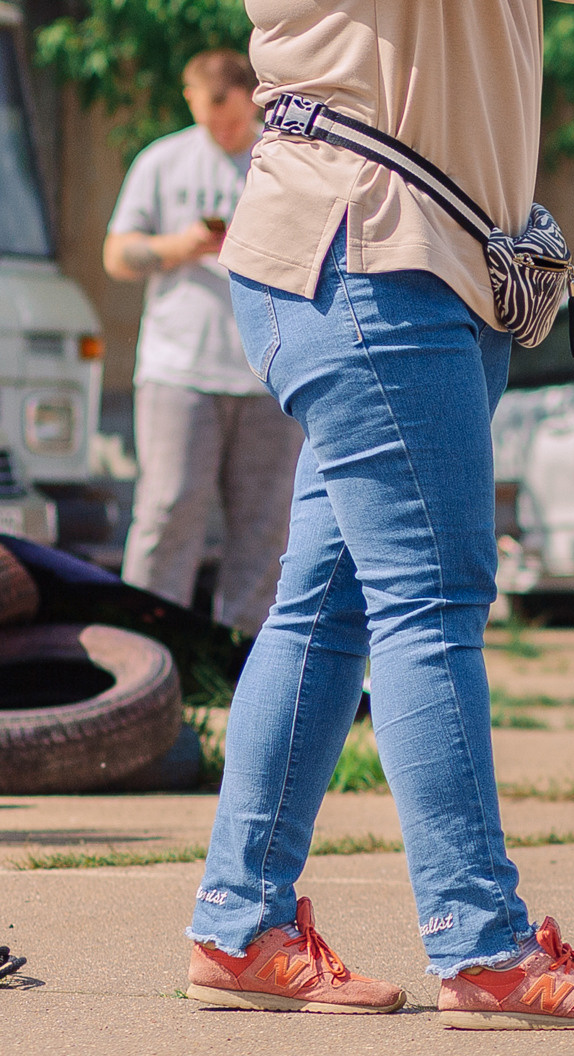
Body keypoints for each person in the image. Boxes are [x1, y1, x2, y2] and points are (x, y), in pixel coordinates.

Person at [182, 1, 574, 1029]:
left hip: (430, 266)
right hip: (366, 256)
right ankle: (483, 945)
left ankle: (239, 924)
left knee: (327, 606)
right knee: (431, 598)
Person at [105, 50, 305, 636]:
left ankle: (242, 664)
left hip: (269, 371)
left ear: (254, 102)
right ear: (189, 98)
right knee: (168, 513)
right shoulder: (162, 161)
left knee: (266, 530)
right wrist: (182, 246)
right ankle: (147, 657)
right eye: (209, 118)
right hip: (178, 371)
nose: (222, 132)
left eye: (235, 121)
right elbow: (116, 255)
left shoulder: (285, 160)